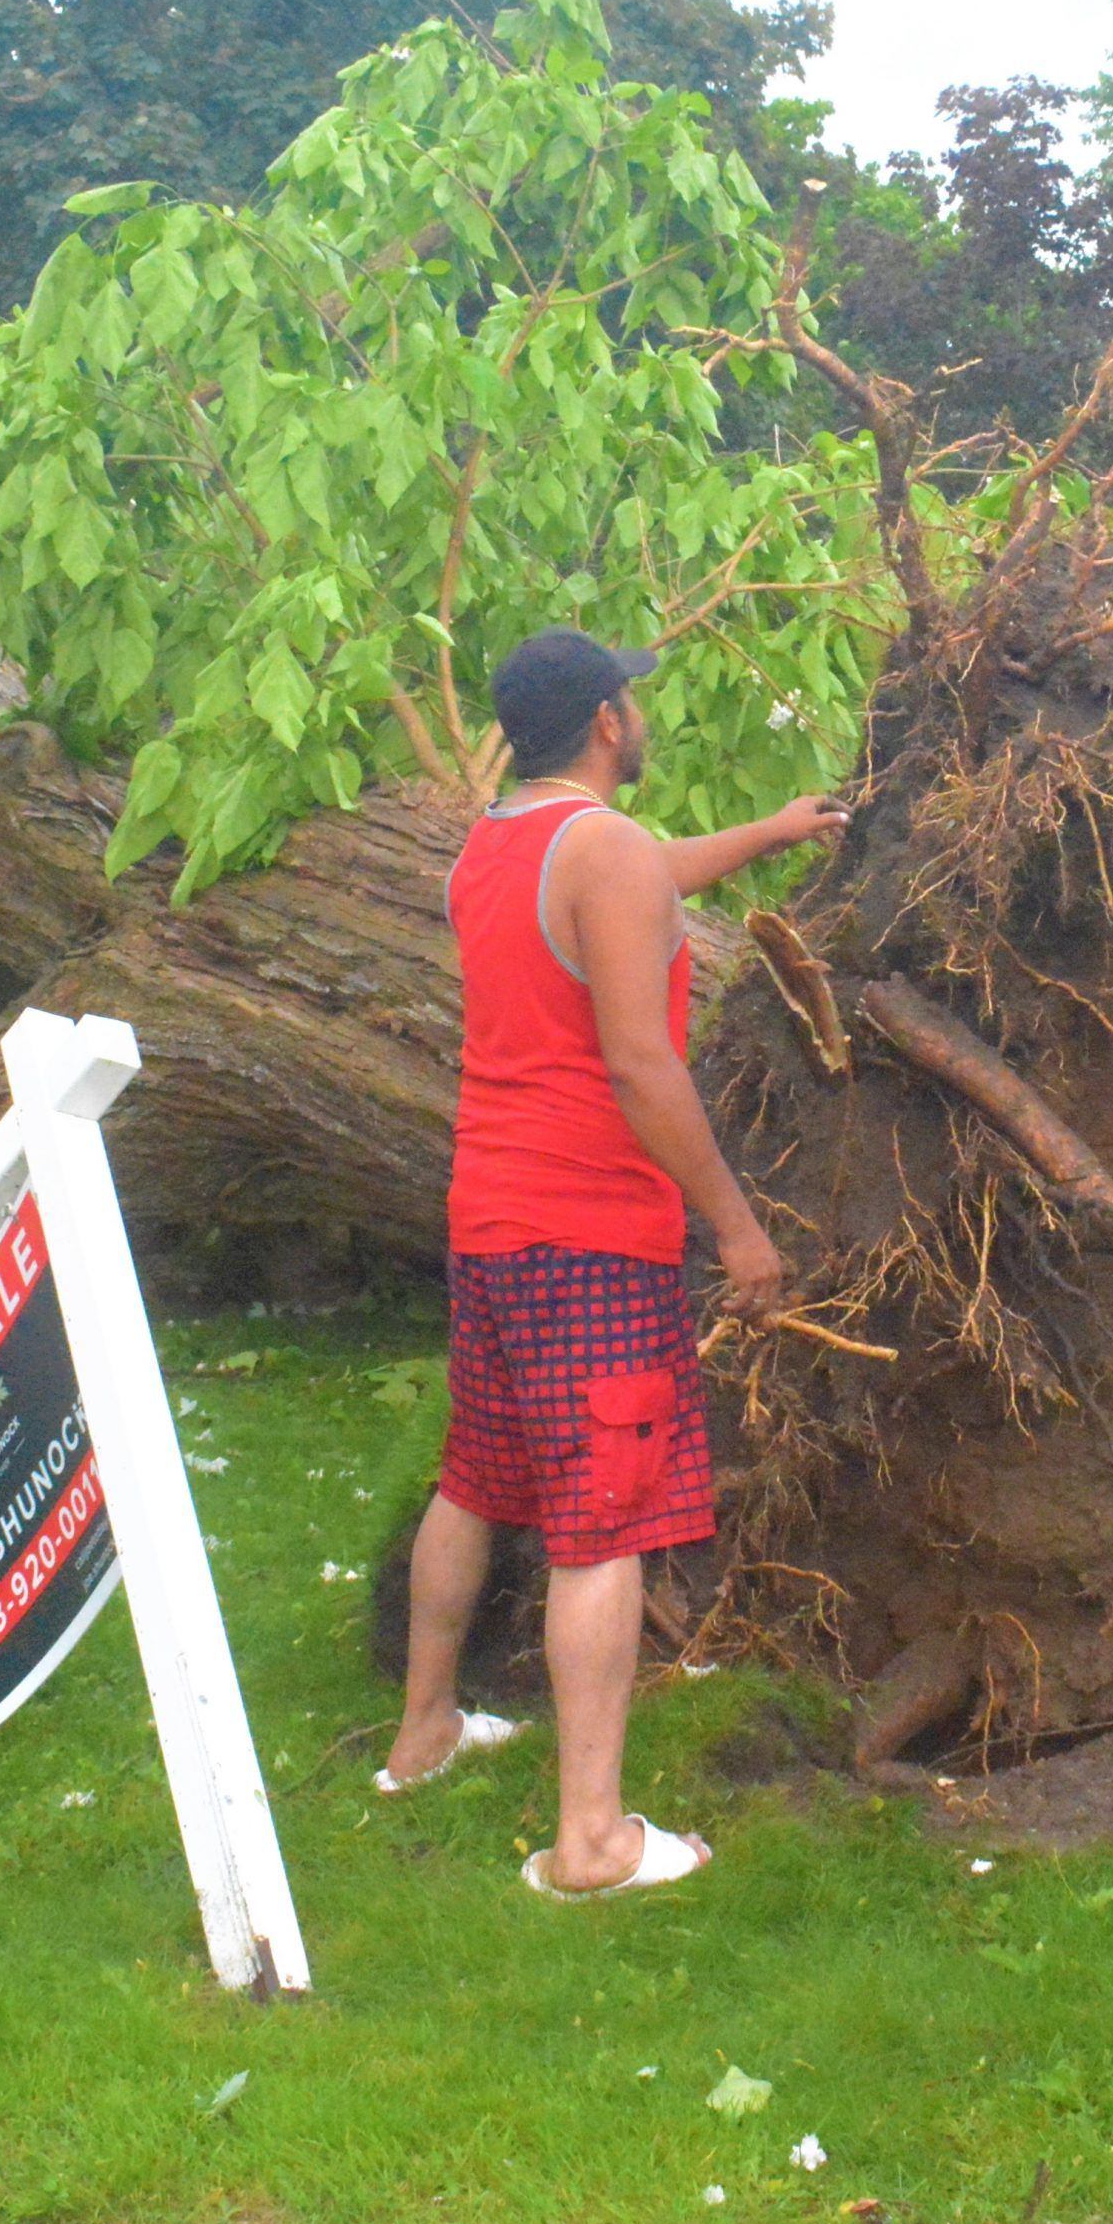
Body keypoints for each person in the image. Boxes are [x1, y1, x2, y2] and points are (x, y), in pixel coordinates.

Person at [377, 627, 847, 1899]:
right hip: (590, 1236)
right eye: (628, 699)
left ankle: (424, 1731)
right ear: (602, 720)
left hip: (490, 1223)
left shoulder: (496, 842)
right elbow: (645, 1065)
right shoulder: (609, 854)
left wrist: (767, 831)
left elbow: (643, 879)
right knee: (602, 1526)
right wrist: (737, 1227)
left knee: (475, 1478)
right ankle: (590, 1841)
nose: (639, 713)